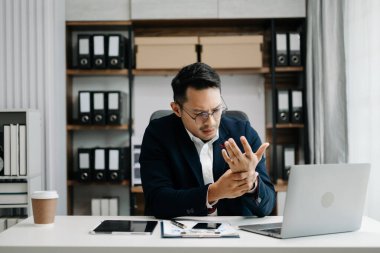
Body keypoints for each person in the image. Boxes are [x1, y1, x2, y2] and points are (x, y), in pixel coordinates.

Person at [140, 62, 276, 219]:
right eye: (199, 113)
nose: (211, 122)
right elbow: (157, 201)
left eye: (216, 110)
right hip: (180, 235)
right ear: (177, 109)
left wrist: (251, 183)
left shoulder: (243, 133)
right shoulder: (158, 134)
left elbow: (267, 206)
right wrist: (214, 192)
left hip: (237, 237)